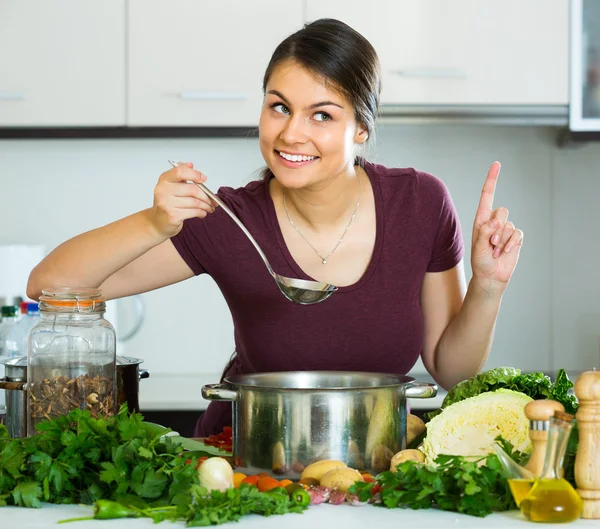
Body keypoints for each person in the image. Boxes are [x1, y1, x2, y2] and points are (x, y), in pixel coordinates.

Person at [27, 19, 523, 437]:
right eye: (279, 106)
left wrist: (488, 286)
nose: (291, 133)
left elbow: (452, 370)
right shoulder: (229, 219)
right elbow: (48, 286)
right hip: (244, 465)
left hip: (377, 466)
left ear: (361, 130)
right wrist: (155, 221)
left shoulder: (420, 203)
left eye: (322, 115)